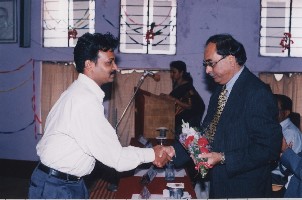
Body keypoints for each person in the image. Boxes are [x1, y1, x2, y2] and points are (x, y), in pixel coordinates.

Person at [28, 32, 174, 199]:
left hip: (64, 182)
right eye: (109, 63)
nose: (115, 68)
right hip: (57, 187)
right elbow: (117, 158)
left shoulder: (76, 93)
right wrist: (152, 153)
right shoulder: (84, 101)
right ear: (89, 65)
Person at [198, 34, 283, 198]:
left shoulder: (256, 92)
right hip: (220, 185)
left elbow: (269, 148)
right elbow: (207, 132)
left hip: (245, 189)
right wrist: (174, 149)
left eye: (211, 63)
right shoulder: (220, 91)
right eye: (205, 64)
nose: (207, 70)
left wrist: (223, 158)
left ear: (230, 59)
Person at [161, 60, 205, 138]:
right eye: (171, 72)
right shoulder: (178, 85)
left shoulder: (188, 87)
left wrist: (173, 99)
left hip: (189, 120)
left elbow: (190, 106)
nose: (171, 74)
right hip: (180, 120)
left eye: (174, 72)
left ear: (181, 73)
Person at [271, 94, 302, 197]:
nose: (272, 111)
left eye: (276, 108)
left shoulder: (290, 132)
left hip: (279, 178)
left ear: (286, 112)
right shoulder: (276, 129)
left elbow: (287, 168)